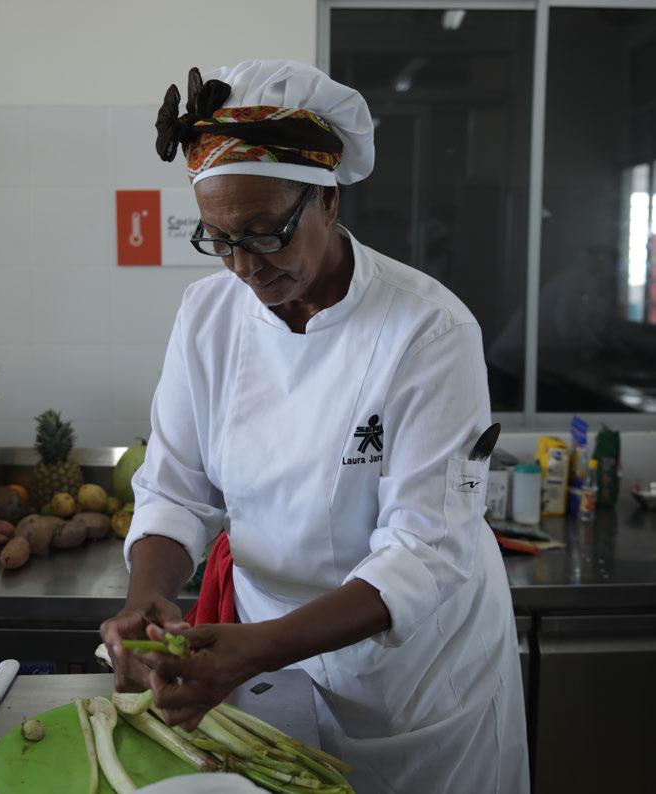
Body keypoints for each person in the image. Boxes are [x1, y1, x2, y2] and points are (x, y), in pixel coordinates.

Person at [101, 59, 529, 793]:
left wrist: (259, 648)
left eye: (265, 233)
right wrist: (148, 596)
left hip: (416, 680)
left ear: (327, 199)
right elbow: (175, 489)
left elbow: (424, 550)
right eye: (218, 239)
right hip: (273, 663)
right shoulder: (207, 315)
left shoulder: (427, 329)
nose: (243, 266)